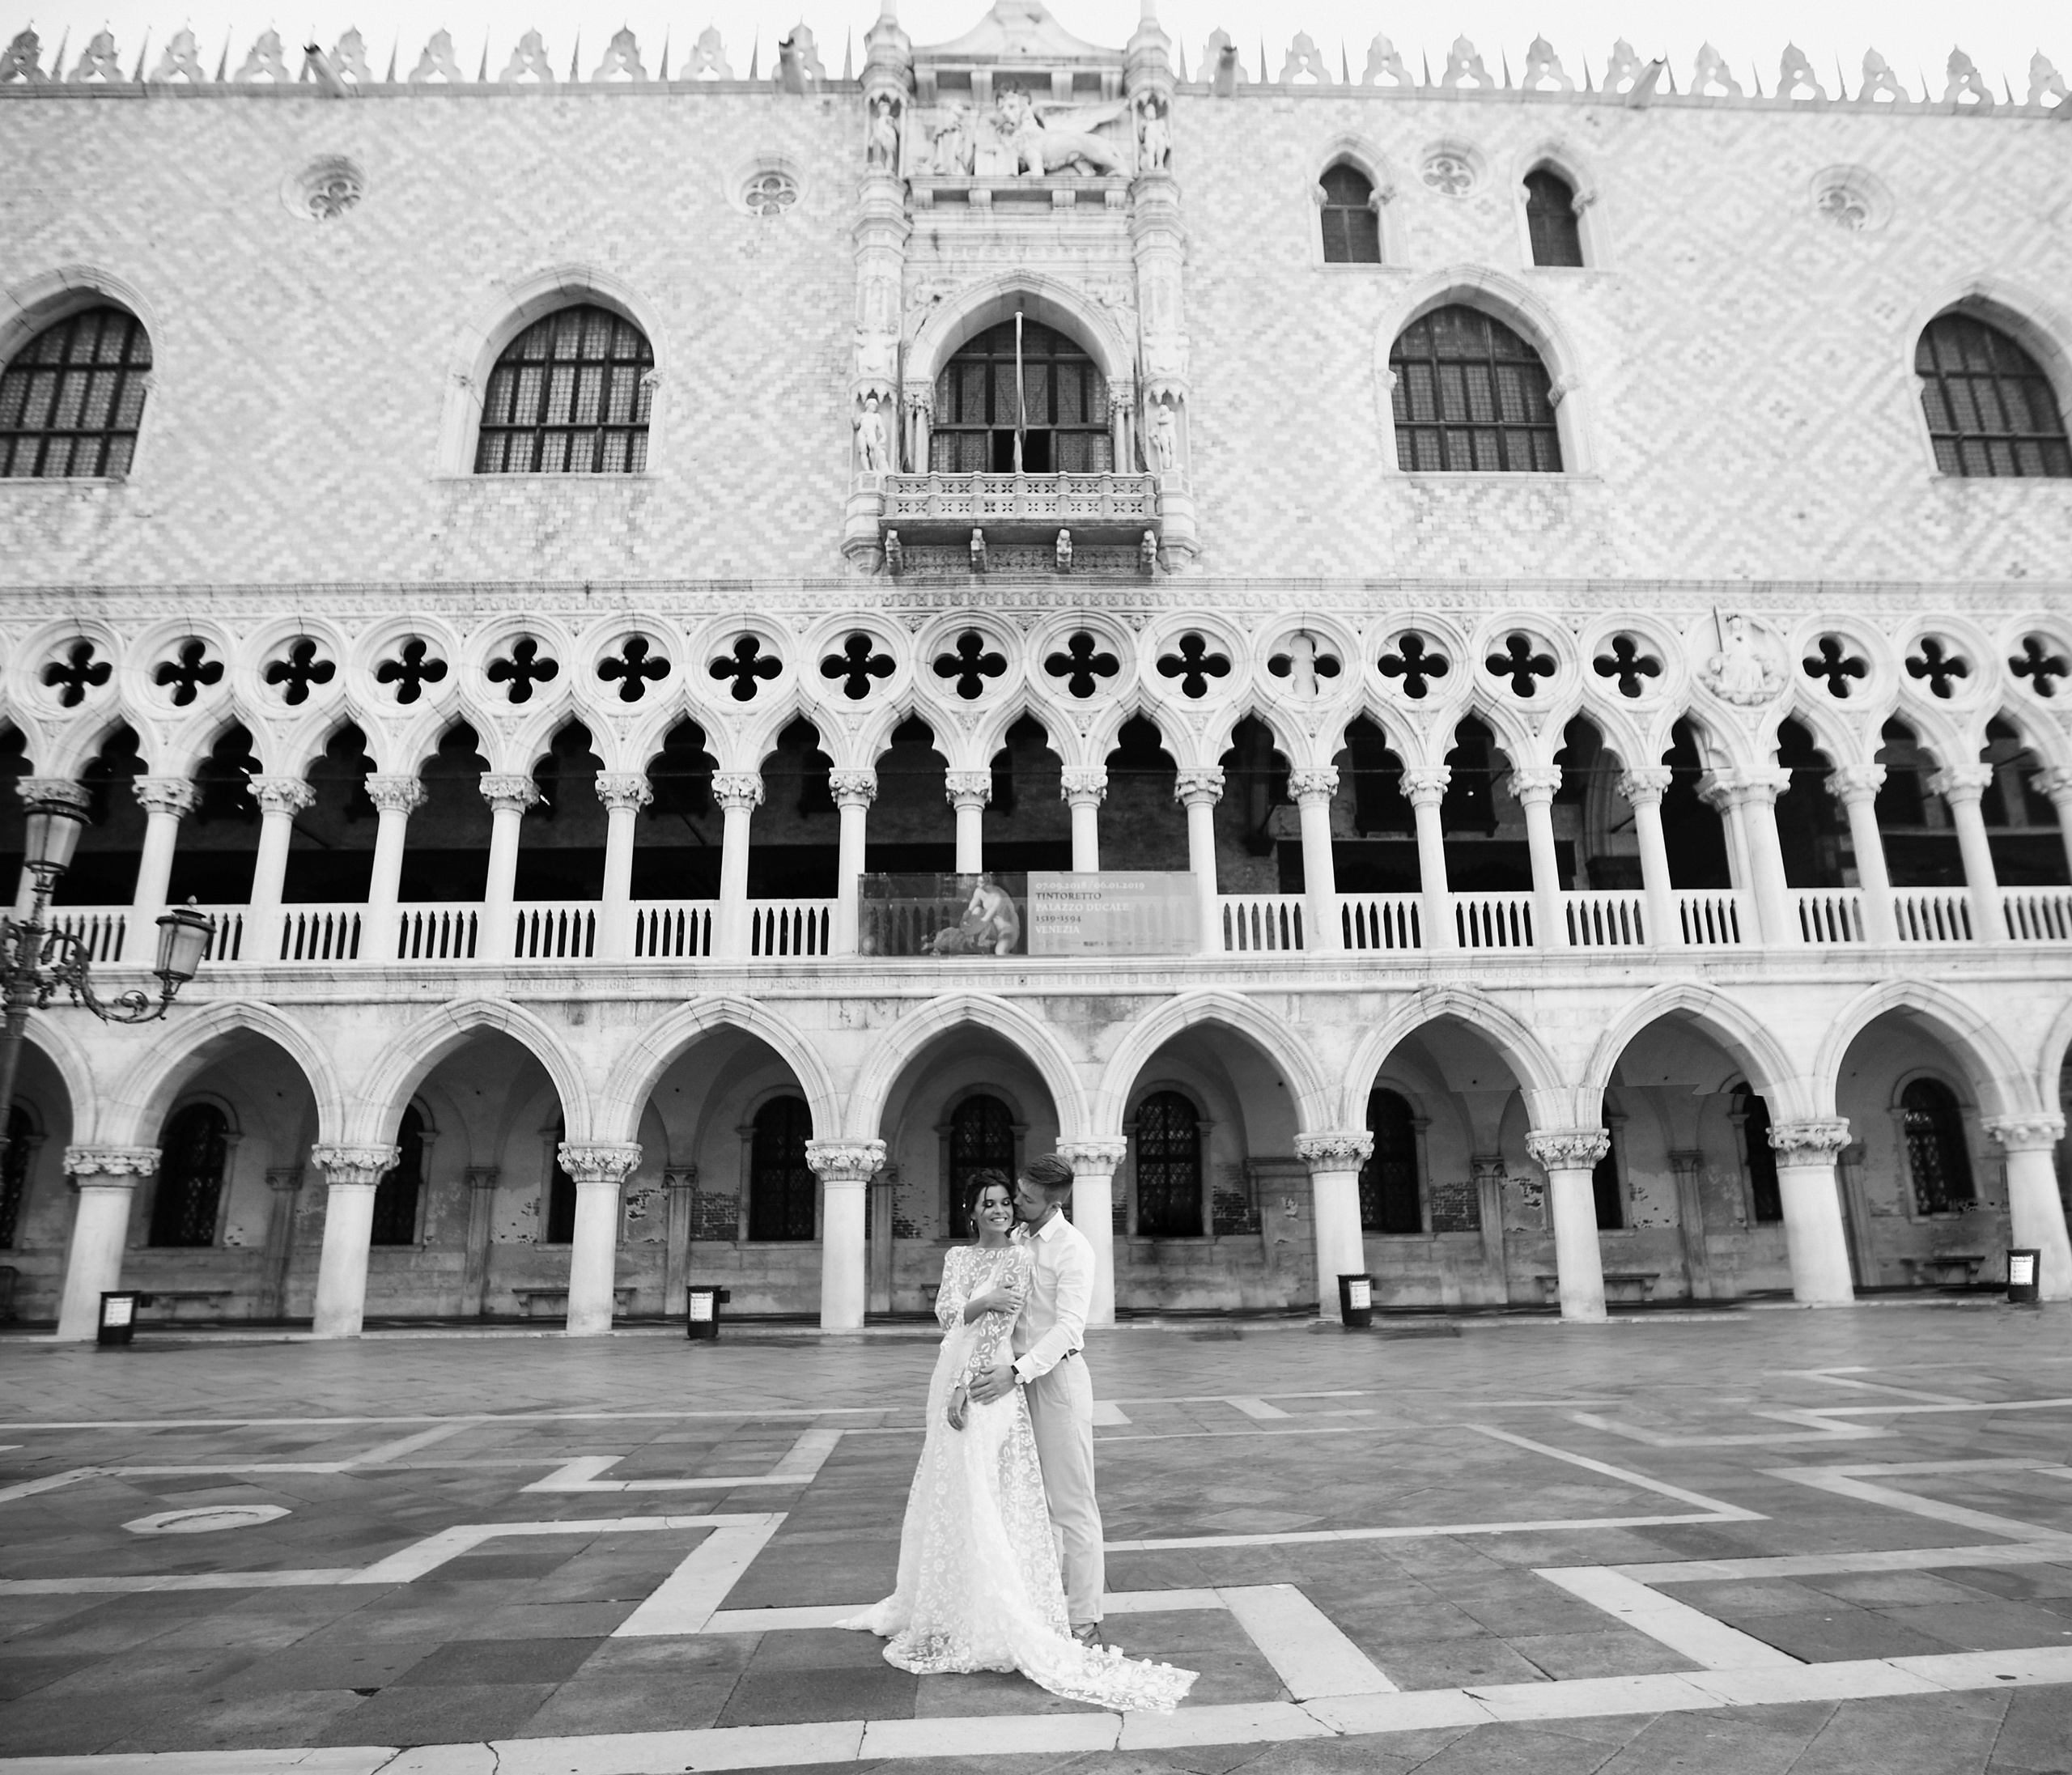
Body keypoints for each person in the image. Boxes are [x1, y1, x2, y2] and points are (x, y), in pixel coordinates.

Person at [839, 1170, 1194, 1712]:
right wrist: (983, 1371)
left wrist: (1014, 1373)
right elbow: (965, 1318)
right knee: (1023, 1500)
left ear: (1053, 1199)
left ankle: (1083, 1620)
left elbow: (1070, 1327)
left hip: (1049, 1379)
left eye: (1022, 1197)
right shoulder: (1021, 1240)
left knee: (1072, 1504)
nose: (1014, 1205)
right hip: (1004, 1379)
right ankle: (1030, 1605)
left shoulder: (1072, 1248)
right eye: (1004, 1198)